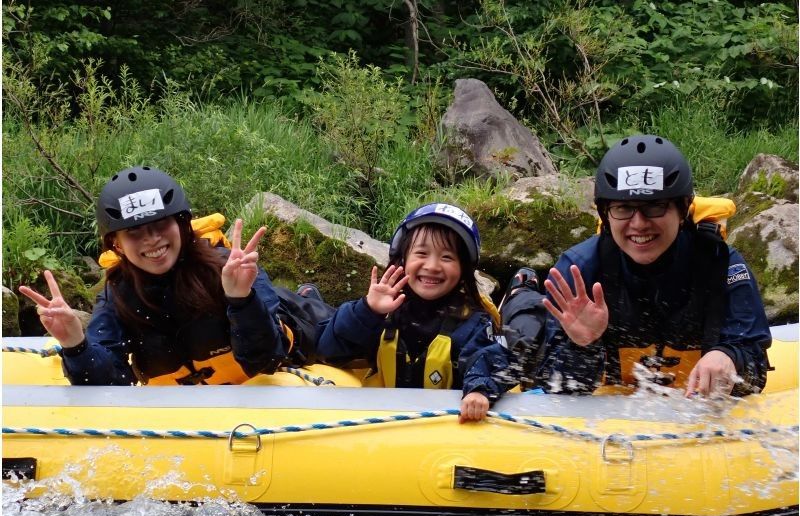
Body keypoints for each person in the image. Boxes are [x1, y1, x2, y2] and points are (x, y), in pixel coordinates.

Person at [19, 165, 306, 385]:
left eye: (160, 224)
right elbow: (108, 387)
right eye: (134, 232)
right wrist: (75, 344)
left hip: (256, 394)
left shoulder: (230, 268)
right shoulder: (118, 294)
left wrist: (241, 300)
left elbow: (267, 359)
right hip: (181, 417)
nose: (152, 240)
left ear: (182, 224)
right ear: (116, 243)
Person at [535, 134, 771, 396]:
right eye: (623, 208)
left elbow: (755, 369)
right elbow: (555, 389)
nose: (638, 224)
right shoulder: (578, 272)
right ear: (605, 214)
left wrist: (729, 356)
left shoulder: (723, 266)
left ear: (682, 210)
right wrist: (582, 345)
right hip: (613, 418)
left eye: (655, 207)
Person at [315, 203, 515, 422]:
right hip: (379, 426)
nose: (432, 266)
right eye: (421, 253)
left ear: (463, 269)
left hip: (443, 432)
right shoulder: (381, 312)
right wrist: (367, 311)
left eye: (447, 257)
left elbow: (489, 356)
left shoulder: (473, 322)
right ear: (403, 259)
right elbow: (330, 351)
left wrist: (478, 389)